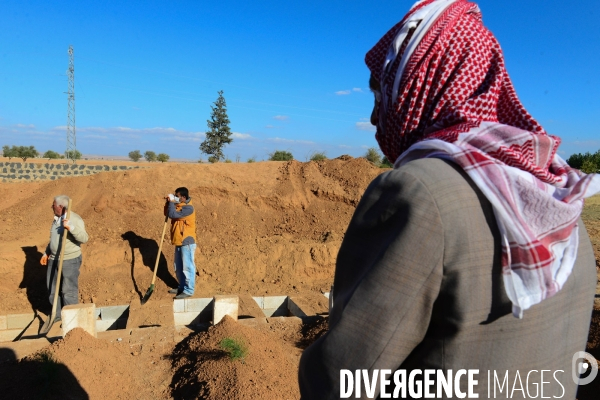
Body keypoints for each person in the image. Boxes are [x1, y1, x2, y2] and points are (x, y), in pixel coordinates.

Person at [298, 0, 600, 398]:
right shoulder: (560, 204)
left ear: (420, 88)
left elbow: (344, 380)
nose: (374, 118)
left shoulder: (416, 193)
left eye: (382, 92)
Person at [40, 195, 89, 320]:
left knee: (68, 290)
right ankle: (56, 317)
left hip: (69, 260)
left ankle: (71, 319)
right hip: (54, 258)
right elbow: (54, 240)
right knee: (52, 289)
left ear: (60, 207)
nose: (52, 207)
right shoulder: (57, 219)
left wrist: (71, 228)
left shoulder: (74, 219)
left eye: (54, 205)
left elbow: (84, 238)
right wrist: (47, 252)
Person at [165, 187, 197, 299]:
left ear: (183, 197)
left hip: (187, 241)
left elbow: (173, 215)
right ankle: (182, 287)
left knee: (187, 267)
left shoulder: (189, 208)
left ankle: (189, 290)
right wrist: (168, 202)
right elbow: (167, 213)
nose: (176, 197)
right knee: (178, 267)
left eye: (177, 196)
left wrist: (172, 203)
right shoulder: (179, 206)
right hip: (179, 240)